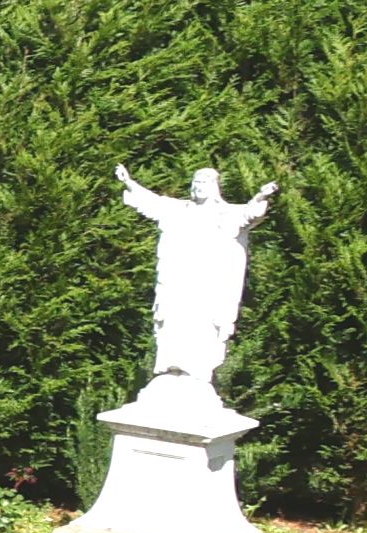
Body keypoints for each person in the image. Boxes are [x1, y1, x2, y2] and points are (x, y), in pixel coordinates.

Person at [116, 167, 275, 396]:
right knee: (173, 321)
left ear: (214, 187)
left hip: (206, 284)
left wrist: (261, 195)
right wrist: (129, 182)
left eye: (205, 183)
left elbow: (248, 214)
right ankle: (170, 368)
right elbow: (152, 202)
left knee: (201, 324)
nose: (200, 187)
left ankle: (195, 370)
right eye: (197, 182)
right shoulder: (179, 209)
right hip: (179, 280)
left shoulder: (225, 213)